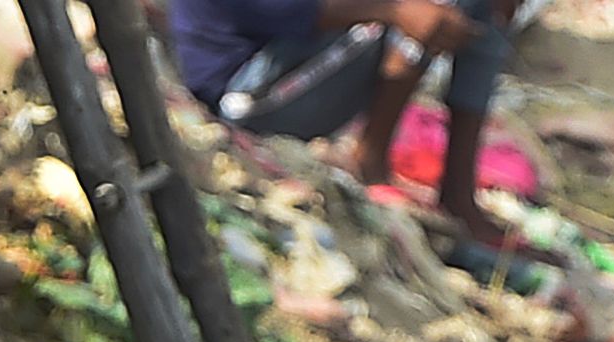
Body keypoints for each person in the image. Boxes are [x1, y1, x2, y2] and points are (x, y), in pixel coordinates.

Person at [163, 0, 515, 247]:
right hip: (248, 96)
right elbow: (291, 11)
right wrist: (393, 10)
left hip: (286, 70)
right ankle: (371, 160)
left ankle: (458, 194)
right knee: (428, 9)